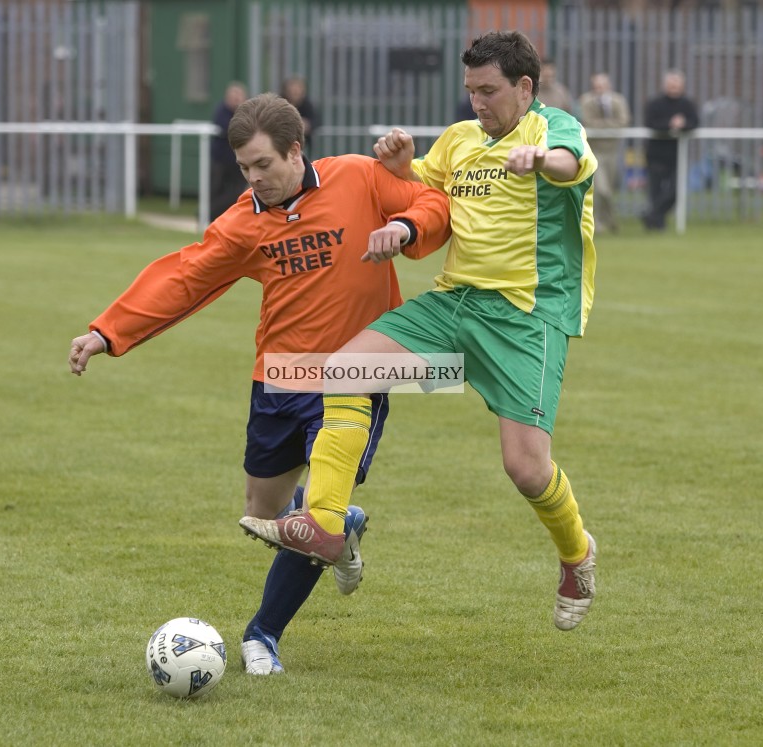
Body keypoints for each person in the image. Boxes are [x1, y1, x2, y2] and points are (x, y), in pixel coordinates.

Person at [68, 94, 450, 674]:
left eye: (262, 165)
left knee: (310, 521)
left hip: (360, 371)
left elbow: (431, 202)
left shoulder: (358, 177)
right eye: (244, 168)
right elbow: (183, 278)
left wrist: (402, 225)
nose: (253, 179)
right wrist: (107, 332)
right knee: (261, 509)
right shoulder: (244, 222)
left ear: (296, 150)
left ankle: (262, 634)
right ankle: (341, 524)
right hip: (279, 377)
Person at [241, 31, 600, 633]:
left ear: (524, 87)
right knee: (347, 367)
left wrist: (539, 159)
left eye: (489, 91)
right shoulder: (461, 140)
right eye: (470, 92)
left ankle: (578, 554)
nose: (477, 103)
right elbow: (425, 190)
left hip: (526, 319)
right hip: (454, 303)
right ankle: (326, 521)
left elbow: (572, 163)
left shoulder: (552, 128)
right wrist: (403, 164)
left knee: (526, 468)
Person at [642, 69, 699, 231]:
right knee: (656, 191)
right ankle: (657, 224)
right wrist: (670, 124)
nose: (673, 86)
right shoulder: (655, 103)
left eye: (677, 83)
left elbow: (694, 123)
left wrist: (683, 124)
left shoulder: (687, 104)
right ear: (665, 85)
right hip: (656, 154)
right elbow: (650, 123)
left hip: (677, 154)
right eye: (671, 83)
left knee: (675, 190)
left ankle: (652, 216)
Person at [578, 72, 631, 233]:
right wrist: (609, 125)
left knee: (609, 188)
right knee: (602, 189)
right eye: (596, 86)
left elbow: (623, 121)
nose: (599, 89)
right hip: (595, 151)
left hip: (613, 151)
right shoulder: (586, 101)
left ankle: (608, 220)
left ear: (609, 86)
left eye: (602, 86)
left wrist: (601, 125)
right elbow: (587, 122)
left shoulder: (618, 100)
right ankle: (603, 221)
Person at [209, 82, 250, 220]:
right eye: (234, 95)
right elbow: (230, 129)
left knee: (236, 193)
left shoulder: (247, 111)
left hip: (240, 162)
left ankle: (221, 217)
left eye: (239, 96)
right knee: (216, 191)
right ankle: (210, 216)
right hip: (221, 161)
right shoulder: (221, 111)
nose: (236, 99)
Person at [281, 76, 320, 150]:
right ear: (286, 90)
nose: (295, 92)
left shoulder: (307, 104)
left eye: (298, 89)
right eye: (293, 90)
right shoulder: (280, 102)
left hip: (304, 144)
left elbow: (316, 120)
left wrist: (308, 125)